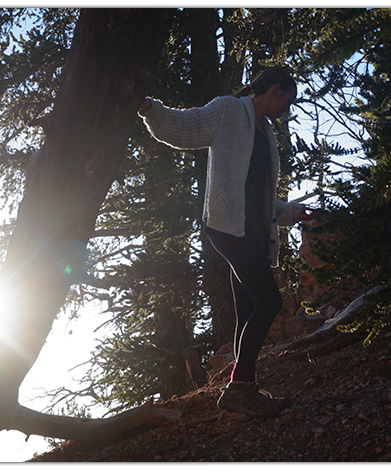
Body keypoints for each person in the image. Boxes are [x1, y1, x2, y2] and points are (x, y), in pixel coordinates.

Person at [137, 67, 316, 418]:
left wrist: (294, 213)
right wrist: (147, 108)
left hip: (251, 231)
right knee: (270, 301)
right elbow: (184, 127)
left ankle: (239, 394)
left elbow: (259, 197)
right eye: (288, 102)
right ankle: (239, 390)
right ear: (276, 90)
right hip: (227, 228)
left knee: (249, 311)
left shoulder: (265, 132)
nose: (287, 110)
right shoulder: (229, 110)